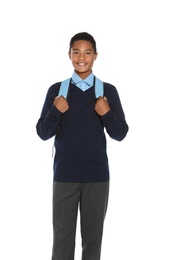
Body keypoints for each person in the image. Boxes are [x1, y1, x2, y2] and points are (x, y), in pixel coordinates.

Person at [36, 32, 129, 260]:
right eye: (76, 52)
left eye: (87, 52)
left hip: (97, 178)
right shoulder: (57, 90)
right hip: (65, 178)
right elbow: (42, 132)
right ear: (69, 55)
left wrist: (106, 114)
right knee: (62, 244)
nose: (81, 57)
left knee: (93, 242)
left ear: (95, 56)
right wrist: (56, 110)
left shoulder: (108, 91)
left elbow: (120, 133)